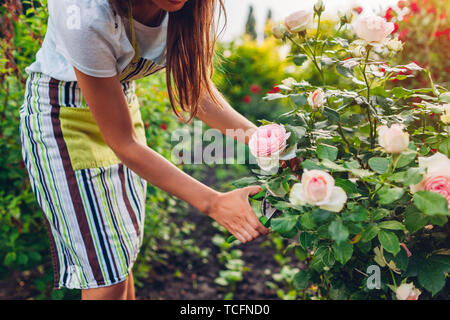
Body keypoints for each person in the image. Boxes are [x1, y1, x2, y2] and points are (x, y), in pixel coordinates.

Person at [19, 0, 269, 300]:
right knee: (106, 279)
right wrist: (213, 202)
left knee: (120, 263)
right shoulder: (85, 12)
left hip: (120, 109)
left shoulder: (193, 7)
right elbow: (124, 143)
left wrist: (261, 140)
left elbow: (195, 94)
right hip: (62, 120)